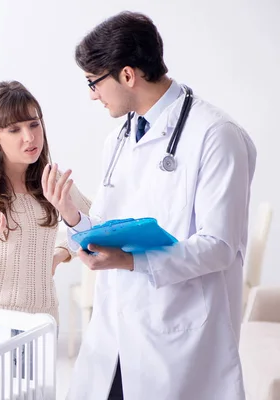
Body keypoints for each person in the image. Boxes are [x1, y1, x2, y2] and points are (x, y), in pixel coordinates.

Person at [44, 11, 257, 400]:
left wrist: (129, 261)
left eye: (94, 82)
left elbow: (219, 246)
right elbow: (109, 225)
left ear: (128, 75)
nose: (92, 94)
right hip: (116, 332)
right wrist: (73, 217)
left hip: (178, 338)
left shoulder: (216, 135)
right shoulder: (120, 139)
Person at [0, 80, 91, 376]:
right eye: (14, 129)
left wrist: (60, 253)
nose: (29, 137)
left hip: (40, 324)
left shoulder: (51, 180)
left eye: (34, 124)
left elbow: (96, 229)